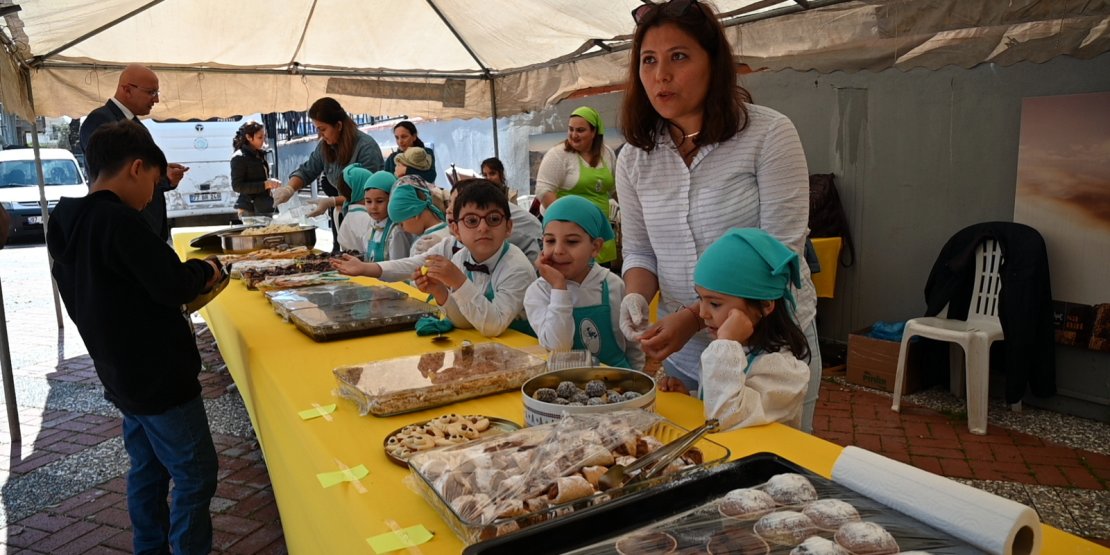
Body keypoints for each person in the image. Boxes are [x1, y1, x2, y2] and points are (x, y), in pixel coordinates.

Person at [616, 0, 823, 432]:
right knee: (694, 463)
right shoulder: (635, 158)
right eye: (648, 60)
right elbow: (639, 250)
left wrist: (693, 317)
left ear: (714, 63)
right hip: (687, 356)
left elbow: (779, 254)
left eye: (679, 57)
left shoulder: (768, 134)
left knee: (771, 468)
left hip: (769, 348)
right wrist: (635, 296)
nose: (661, 75)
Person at [47, 121, 223, 554]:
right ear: (136, 167)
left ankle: (151, 548)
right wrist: (208, 270)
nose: (153, 194)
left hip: (119, 372)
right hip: (158, 376)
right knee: (195, 473)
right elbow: (173, 285)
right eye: (153, 182)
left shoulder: (66, 219)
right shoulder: (120, 222)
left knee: (147, 468)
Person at [684, 228, 811, 430]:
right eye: (700, 299)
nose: (702, 313)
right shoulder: (732, 350)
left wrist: (725, 343)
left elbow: (724, 419)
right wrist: (691, 397)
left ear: (765, 305)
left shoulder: (784, 373)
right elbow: (720, 400)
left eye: (715, 304)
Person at [525, 195, 644, 369]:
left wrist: (637, 379)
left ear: (595, 247)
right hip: (566, 385)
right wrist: (559, 288)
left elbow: (633, 345)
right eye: (550, 241)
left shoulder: (613, 285)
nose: (558, 250)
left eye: (572, 242)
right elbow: (559, 347)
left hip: (618, 382)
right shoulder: (539, 292)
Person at [78, 64, 188, 242]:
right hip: (124, 229)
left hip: (141, 226)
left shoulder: (132, 122)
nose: (156, 100)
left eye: (157, 93)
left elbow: (136, 169)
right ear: (127, 90)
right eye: (151, 92)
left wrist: (162, 174)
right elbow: (119, 176)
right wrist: (162, 177)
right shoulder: (101, 121)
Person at [413, 180, 535, 337]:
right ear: (456, 230)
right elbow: (465, 321)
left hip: (524, 350)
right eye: (472, 221)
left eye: (493, 219)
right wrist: (439, 290)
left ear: (508, 227)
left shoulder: (517, 267)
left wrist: (458, 281)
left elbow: (494, 325)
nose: (483, 227)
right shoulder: (460, 258)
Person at [270, 97, 384, 220]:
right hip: (347, 214)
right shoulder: (325, 147)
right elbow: (307, 171)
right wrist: (289, 189)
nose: (321, 135)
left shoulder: (366, 148)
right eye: (318, 130)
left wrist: (333, 201)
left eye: (323, 129)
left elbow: (369, 194)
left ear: (339, 125)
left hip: (371, 216)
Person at [535, 106, 618, 263]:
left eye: (580, 130)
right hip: (569, 236)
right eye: (571, 129)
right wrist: (569, 222)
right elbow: (544, 191)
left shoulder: (607, 154)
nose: (574, 135)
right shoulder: (558, 154)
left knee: (600, 281)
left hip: (600, 231)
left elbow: (615, 190)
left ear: (594, 132)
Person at [336, 165, 396, 257]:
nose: (373, 207)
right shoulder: (368, 219)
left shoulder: (395, 231)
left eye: (379, 201)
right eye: (368, 201)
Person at [387, 175, 450, 256]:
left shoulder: (422, 245)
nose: (402, 229)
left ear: (414, 215)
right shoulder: (450, 231)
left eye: (402, 223)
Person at [230, 120, 278, 217]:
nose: (263, 141)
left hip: (264, 206)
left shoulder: (259, 154)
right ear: (248, 137)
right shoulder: (239, 157)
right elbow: (237, 186)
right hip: (250, 209)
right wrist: (265, 185)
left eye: (264, 137)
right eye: (260, 137)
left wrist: (269, 184)